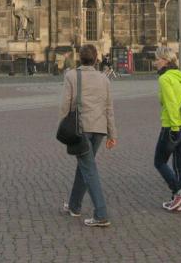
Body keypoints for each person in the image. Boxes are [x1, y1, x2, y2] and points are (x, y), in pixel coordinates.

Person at [60, 44, 117, 228]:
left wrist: (64, 128)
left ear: (80, 58)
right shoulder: (104, 79)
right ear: (96, 59)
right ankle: (74, 206)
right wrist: (112, 133)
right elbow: (109, 108)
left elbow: (66, 105)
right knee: (84, 166)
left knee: (89, 169)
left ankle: (101, 214)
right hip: (99, 130)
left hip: (81, 129)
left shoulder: (71, 76)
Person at [153, 46, 181, 212]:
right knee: (179, 165)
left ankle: (178, 192)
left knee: (159, 162)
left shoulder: (164, 78)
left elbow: (170, 103)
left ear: (165, 60)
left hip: (172, 126)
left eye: (157, 59)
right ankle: (178, 202)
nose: (155, 62)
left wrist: (174, 127)